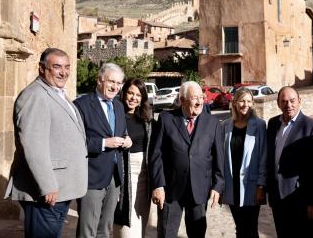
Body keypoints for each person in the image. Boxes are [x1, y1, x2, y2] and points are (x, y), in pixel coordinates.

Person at [4, 48, 88, 238]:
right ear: (42, 68)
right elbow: (33, 145)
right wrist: (47, 185)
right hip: (47, 192)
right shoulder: (35, 96)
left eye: (67, 67)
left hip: (60, 189)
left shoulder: (56, 93)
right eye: (57, 67)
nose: (63, 72)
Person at [148, 81, 224, 238]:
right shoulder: (166, 119)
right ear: (182, 100)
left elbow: (218, 157)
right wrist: (158, 185)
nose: (200, 101)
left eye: (201, 97)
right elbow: (156, 154)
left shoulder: (213, 123)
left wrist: (218, 185)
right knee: (166, 234)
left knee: (197, 234)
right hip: (170, 190)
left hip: (199, 189)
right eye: (195, 98)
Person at [74, 63, 132, 238]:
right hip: (91, 177)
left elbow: (121, 132)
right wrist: (103, 143)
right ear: (100, 80)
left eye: (119, 83)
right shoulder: (81, 104)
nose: (115, 87)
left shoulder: (119, 106)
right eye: (111, 81)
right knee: (87, 230)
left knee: (105, 230)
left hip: (114, 178)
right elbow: (75, 142)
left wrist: (126, 139)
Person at [266, 86, 313, 237]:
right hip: (278, 197)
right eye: (284, 101)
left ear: (300, 101)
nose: (288, 105)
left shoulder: (311, 127)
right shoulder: (272, 124)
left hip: (301, 199)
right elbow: (270, 159)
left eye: (292, 101)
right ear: (278, 103)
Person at [221, 88, 267, 238]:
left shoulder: (259, 125)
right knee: (240, 227)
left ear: (253, 103)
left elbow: (263, 156)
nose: (245, 104)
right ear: (234, 103)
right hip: (231, 184)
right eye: (241, 100)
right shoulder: (225, 126)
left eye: (248, 101)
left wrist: (261, 185)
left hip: (251, 186)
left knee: (251, 228)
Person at [114, 78, 154, 238]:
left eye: (138, 95)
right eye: (130, 93)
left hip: (144, 181)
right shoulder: (115, 114)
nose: (133, 98)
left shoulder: (146, 118)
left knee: (141, 227)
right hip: (123, 178)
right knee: (125, 229)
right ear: (124, 93)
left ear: (143, 98)